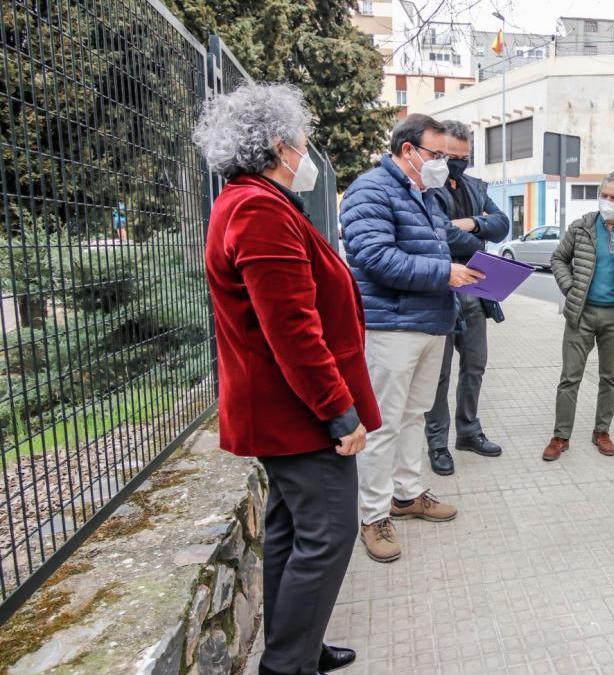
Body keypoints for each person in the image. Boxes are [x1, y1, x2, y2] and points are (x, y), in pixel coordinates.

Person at [195, 82, 377, 675]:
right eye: (303, 141)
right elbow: (292, 329)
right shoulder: (257, 208)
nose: (308, 154)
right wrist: (338, 410)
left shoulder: (248, 201)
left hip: (283, 408)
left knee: (290, 532)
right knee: (327, 535)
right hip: (298, 414)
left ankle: (297, 648)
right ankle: (286, 667)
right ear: (278, 144)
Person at [341, 114, 484, 563]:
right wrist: (445, 272)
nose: (443, 164)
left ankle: (407, 493)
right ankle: (373, 515)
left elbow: (443, 240)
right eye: (437, 155)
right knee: (383, 422)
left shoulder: (422, 194)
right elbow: (375, 256)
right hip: (391, 326)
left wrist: (487, 269)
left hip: (430, 321)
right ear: (408, 151)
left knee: (415, 415)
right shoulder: (370, 190)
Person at [543, 171, 614, 461]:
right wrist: (570, 288)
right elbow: (558, 259)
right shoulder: (581, 227)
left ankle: (601, 431)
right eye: (603, 195)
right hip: (581, 314)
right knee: (570, 377)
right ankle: (560, 436)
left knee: (610, 378)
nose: (606, 201)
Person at [423, 120, 509, 476]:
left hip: (476, 290)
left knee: (475, 366)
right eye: (450, 156)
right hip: (441, 289)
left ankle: (468, 432)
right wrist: (474, 232)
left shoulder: (475, 185)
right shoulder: (427, 184)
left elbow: (502, 224)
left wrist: (469, 224)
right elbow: (437, 233)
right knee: (438, 376)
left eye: (464, 157)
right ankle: (438, 442)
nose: (457, 162)